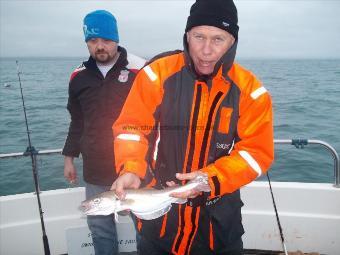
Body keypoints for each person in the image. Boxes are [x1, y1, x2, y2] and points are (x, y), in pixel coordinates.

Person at [112, 0, 274, 254]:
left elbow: (256, 152)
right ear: (187, 35)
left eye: (218, 39)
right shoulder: (156, 75)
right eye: (199, 36)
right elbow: (131, 129)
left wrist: (213, 179)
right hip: (159, 219)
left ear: (233, 41)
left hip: (217, 225)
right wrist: (131, 168)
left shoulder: (251, 91)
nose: (206, 50)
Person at [62, 10, 145, 255]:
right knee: (100, 229)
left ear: (117, 39)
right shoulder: (77, 76)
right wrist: (69, 158)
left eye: (106, 40)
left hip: (133, 167)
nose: (100, 46)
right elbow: (77, 121)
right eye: (93, 41)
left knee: (144, 226)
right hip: (95, 166)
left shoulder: (139, 69)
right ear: (86, 41)